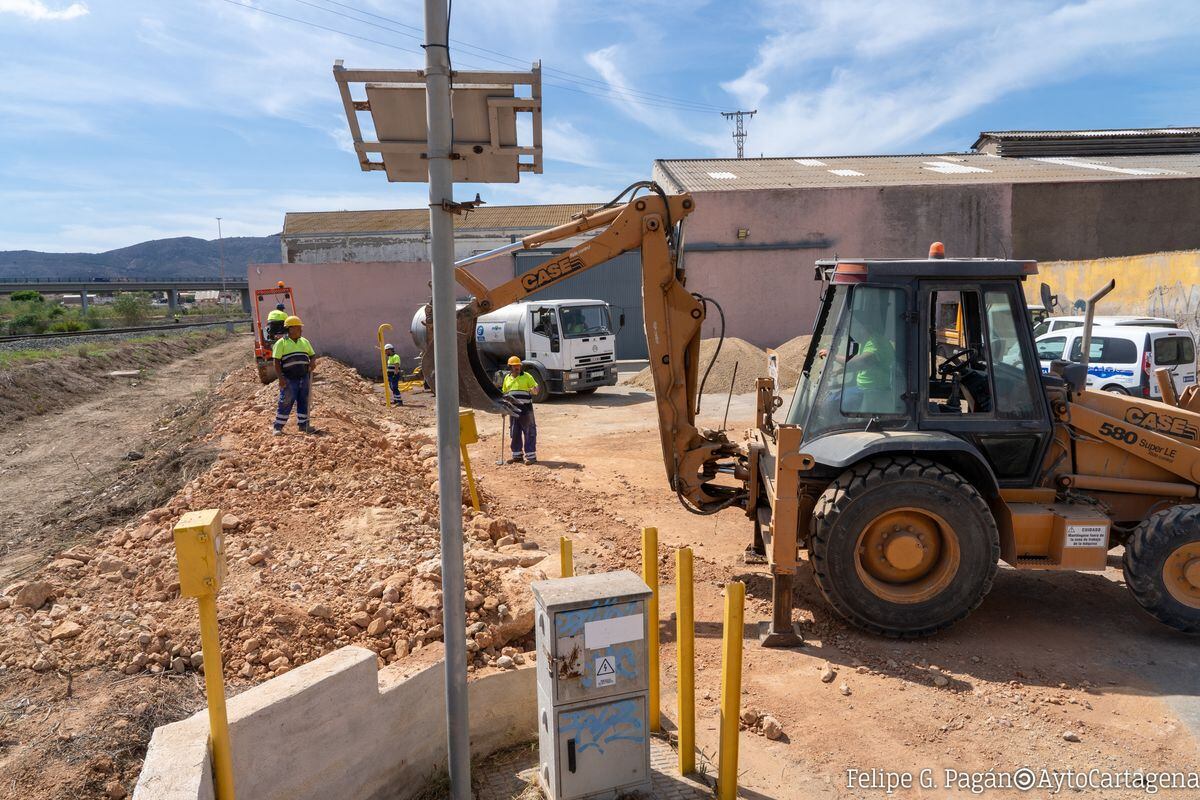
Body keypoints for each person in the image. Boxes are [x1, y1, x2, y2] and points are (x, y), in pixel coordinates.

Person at [272, 315, 317, 435]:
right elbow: (276, 362)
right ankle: (278, 427)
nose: (301, 330)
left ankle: (304, 425)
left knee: (304, 400)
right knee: (285, 401)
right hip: (289, 378)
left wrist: (312, 362)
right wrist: (281, 379)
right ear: (291, 329)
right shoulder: (281, 343)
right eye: (298, 328)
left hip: (304, 377)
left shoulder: (304, 341)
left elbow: (312, 355)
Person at [502, 355, 538, 464]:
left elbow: (535, 389)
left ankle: (531, 457)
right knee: (515, 431)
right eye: (515, 366)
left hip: (526, 410)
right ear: (510, 367)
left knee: (529, 431)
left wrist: (535, 389)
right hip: (512, 410)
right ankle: (517, 455)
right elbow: (504, 394)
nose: (517, 367)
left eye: (518, 365)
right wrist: (503, 408)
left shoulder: (527, 376)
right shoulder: (507, 378)